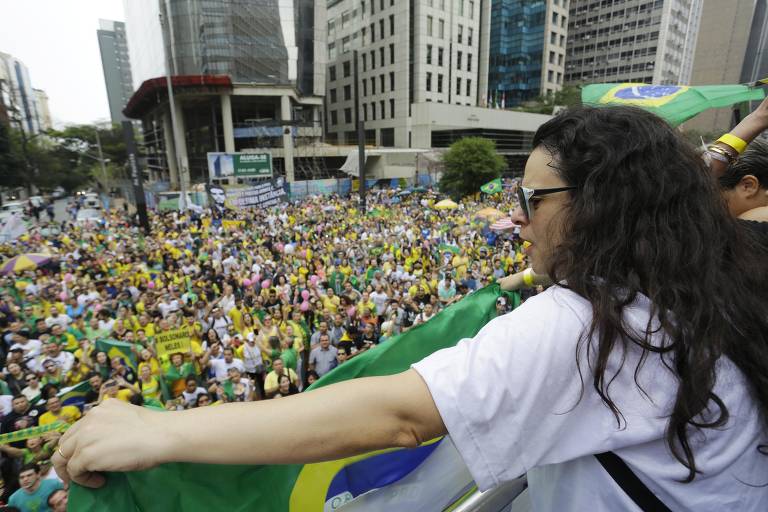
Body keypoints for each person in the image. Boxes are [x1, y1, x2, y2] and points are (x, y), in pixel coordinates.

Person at [51, 106, 768, 510]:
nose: (515, 219)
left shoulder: (590, 326)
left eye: (530, 199)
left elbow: (399, 417)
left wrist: (162, 431)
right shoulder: (726, 268)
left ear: (602, 206)